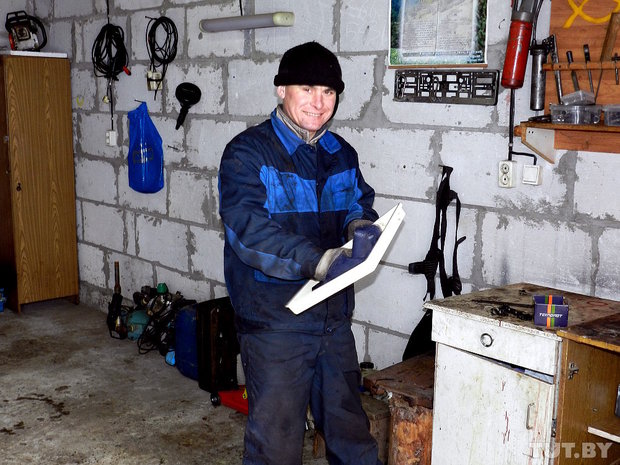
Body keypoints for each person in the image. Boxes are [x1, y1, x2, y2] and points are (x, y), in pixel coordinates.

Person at [218, 41, 382, 465]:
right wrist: (319, 260)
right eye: (307, 88)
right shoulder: (247, 153)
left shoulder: (340, 153)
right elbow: (250, 233)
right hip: (275, 323)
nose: (318, 103)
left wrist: (360, 226)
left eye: (328, 92)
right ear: (281, 89)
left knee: (351, 433)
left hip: (332, 318)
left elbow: (358, 202)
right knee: (276, 445)